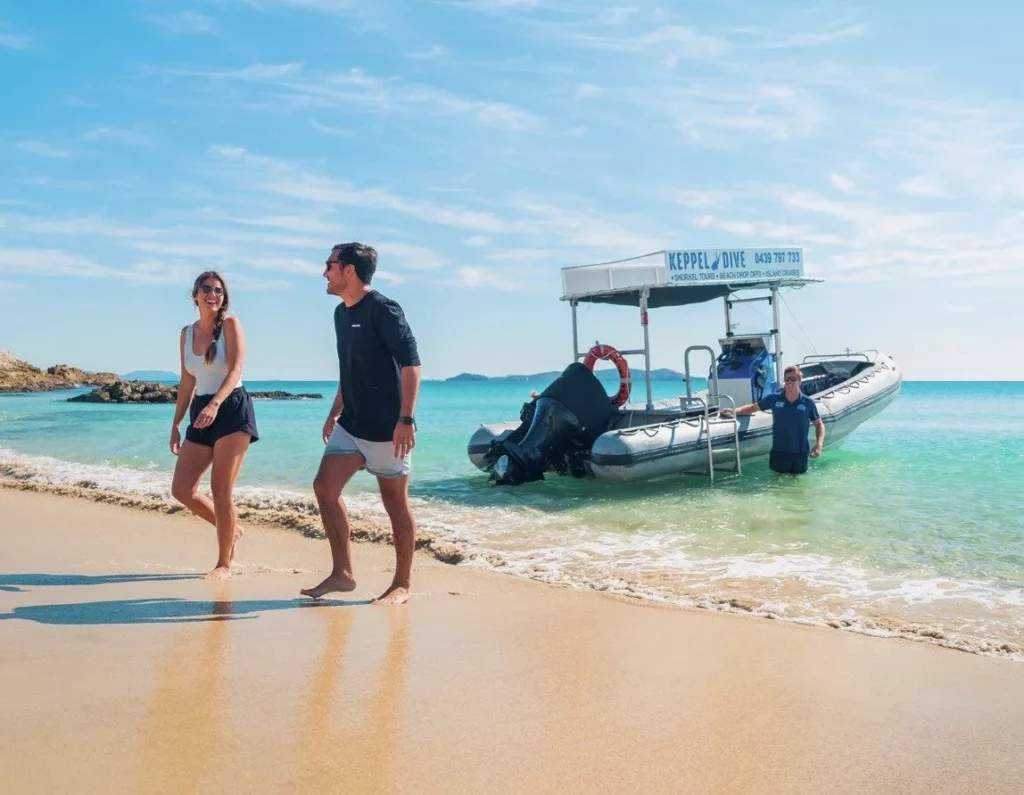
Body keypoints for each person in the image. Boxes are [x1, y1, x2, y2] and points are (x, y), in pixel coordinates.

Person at [301, 243, 421, 605]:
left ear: (348, 270)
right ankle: (343, 574)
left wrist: (406, 419)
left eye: (330, 264)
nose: (324, 271)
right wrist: (334, 409)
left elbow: (411, 366)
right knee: (324, 487)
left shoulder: (384, 310)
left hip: (388, 428)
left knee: (395, 504)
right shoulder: (341, 314)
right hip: (351, 424)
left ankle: (401, 584)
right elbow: (349, 369)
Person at [169, 271, 259, 579]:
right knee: (181, 489)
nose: (212, 294)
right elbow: (186, 381)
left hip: (232, 408)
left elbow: (235, 371)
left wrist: (215, 403)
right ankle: (232, 529)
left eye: (218, 290)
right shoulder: (187, 333)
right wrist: (177, 422)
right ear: (194, 294)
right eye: (206, 289)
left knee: (221, 490)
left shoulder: (231, 325)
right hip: (200, 411)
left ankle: (224, 564)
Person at [721, 365, 824, 475]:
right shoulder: (774, 398)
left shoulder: (808, 403)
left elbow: (819, 424)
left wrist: (819, 444)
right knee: (777, 485)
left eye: (793, 379)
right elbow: (753, 408)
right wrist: (734, 411)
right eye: (787, 379)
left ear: (799, 381)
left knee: (798, 487)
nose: (789, 382)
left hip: (801, 453)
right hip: (779, 452)